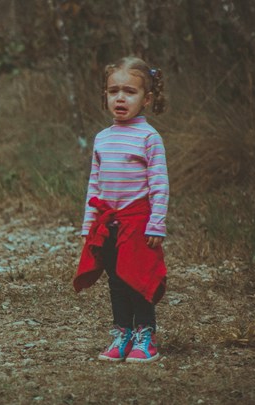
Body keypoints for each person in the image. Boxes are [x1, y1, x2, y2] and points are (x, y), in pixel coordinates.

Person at [73, 56, 169, 363]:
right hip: (109, 223)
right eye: (114, 91)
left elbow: (159, 185)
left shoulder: (149, 138)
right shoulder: (103, 138)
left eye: (130, 91)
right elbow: (95, 186)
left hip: (138, 222)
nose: (120, 98)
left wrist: (156, 223)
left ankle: (145, 335)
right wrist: (89, 225)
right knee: (115, 279)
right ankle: (122, 332)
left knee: (137, 278)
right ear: (105, 96)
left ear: (147, 99)